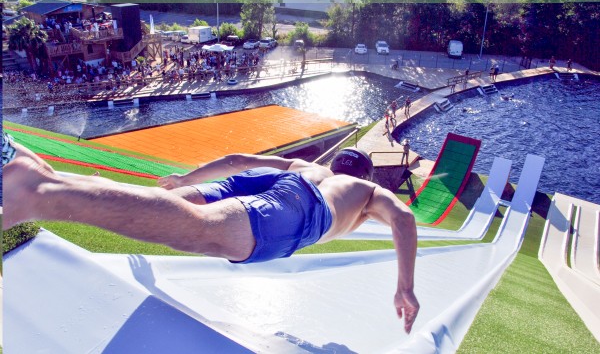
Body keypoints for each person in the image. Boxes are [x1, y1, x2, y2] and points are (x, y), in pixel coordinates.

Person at [2, 138, 420, 333]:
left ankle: (45, 175)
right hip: (302, 211)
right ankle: (38, 195)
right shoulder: (366, 193)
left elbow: (235, 159)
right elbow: (403, 217)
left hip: (271, 183)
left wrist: (187, 177)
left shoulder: (305, 165)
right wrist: (406, 288)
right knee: (200, 231)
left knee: (174, 207)